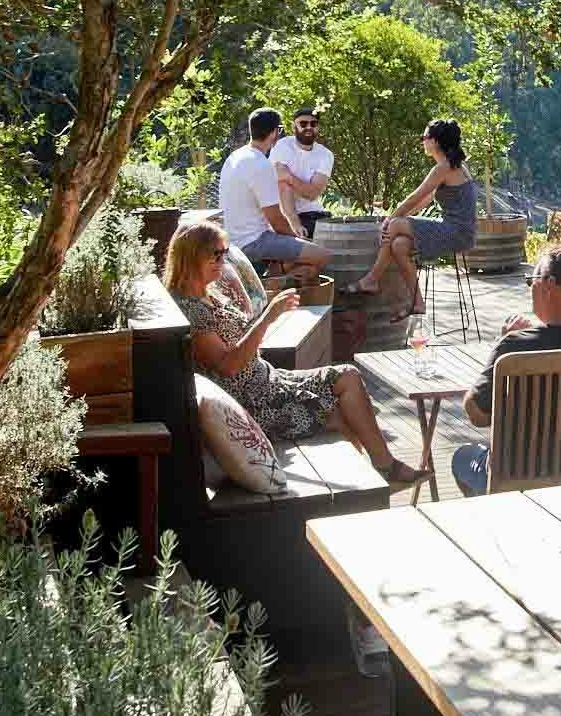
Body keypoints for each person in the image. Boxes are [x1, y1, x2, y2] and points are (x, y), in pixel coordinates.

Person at [164, 219, 427, 487]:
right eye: (216, 254)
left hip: (269, 380)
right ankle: (375, 481)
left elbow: (242, 339)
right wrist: (267, 317)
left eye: (225, 252)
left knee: (348, 375)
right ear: (192, 256)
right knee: (338, 413)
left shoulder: (211, 293)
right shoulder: (191, 310)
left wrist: (271, 311)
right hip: (255, 400)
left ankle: (382, 471)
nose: (223, 260)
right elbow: (228, 365)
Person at [452, 243, 561, 496]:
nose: (530, 287)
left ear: (549, 285)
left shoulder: (515, 346)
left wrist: (506, 345)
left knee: (462, 457)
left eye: (531, 280)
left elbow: (476, 413)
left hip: (521, 476)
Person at [356, 119, 476, 323]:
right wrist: (401, 217)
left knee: (394, 225)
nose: (422, 141)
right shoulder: (454, 166)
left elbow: (414, 197)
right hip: (458, 230)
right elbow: (424, 200)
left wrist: (392, 218)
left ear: (436, 142)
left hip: (456, 232)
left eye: (425, 137)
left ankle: (372, 279)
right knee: (399, 245)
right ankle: (417, 303)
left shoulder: (443, 168)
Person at [218, 108, 331, 278]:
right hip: (253, 242)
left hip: (233, 238)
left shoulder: (235, 157)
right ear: (274, 133)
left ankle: (275, 277)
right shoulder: (260, 164)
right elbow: (277, 220)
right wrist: (298, 240)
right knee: (322, 256)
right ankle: (272, 281)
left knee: (304, 257)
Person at [269, 105, 334, 240]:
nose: (308, 127)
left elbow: (312, 194)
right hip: (283, 215)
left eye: (313, 123)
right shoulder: (282, 146)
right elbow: (282, 185)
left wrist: (289, 177)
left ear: (318, 127)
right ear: (294, 126)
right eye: (303, 124)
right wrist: (294, 222)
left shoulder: (326, 155)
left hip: (312, 214)